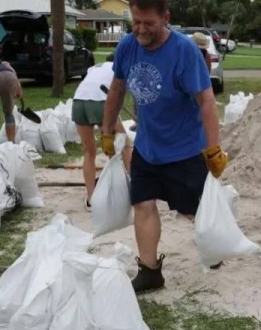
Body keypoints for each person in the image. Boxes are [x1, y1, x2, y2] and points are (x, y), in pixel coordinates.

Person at [101, 0, 228, 293]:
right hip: (147, 146)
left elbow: (206, 101)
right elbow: (117, 89)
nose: (141, 30)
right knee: (143, 203)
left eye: (149, 23)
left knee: (194, 211)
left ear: (166, 18)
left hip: (184, 150)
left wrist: (213, 149)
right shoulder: (127, 47)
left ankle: (215, 243)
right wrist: (107, 131)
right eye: (136, 22)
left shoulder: (184, 51)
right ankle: (150, 272)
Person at [71, 53, 132, 211]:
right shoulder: (118, 69)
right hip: (99, 102)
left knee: (89, 151)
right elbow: (118, 95)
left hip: (78, 102)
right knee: (126, 144)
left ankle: (91, 199)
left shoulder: (94, 68)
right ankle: (134, 187)